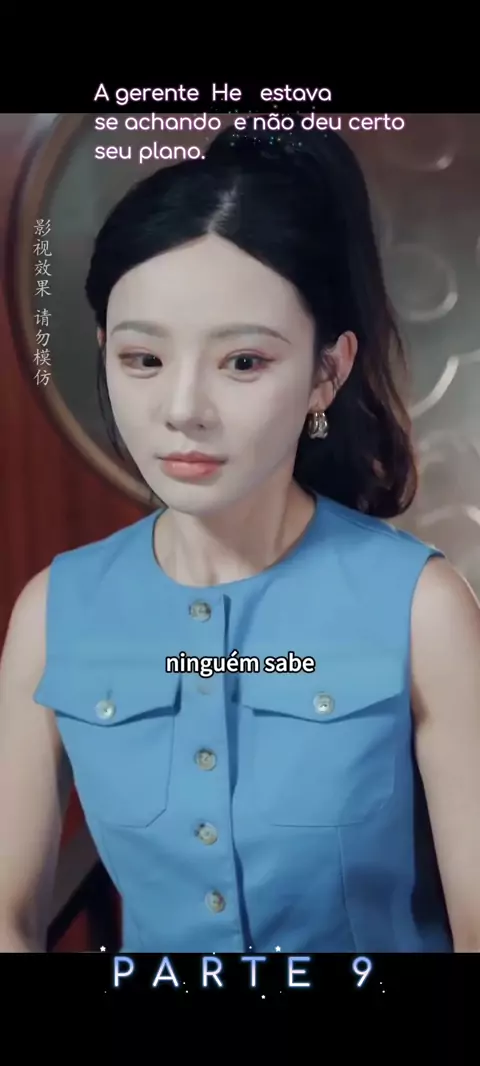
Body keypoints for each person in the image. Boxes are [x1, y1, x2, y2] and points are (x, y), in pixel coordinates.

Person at [1, 124, 479, 955]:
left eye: (244, 363)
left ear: (327, 372)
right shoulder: (53, 612)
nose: (183, 409)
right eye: (144, 360)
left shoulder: (422, 609)